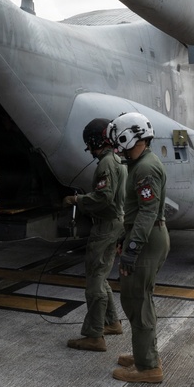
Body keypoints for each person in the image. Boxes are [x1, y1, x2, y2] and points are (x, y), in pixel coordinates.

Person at [107, 111, 169, 383]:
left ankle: (147, 367)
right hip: (143, 235)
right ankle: (145, 353)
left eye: (119, 141)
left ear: (130, 137)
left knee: (137, 300)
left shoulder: (144, 168)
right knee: (139, 299)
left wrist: (132, 248)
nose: (117, 148)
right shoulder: (140, 164)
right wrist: (125, 238)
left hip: (146, 238)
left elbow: (147, 212)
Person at [63, 117, 126, 352]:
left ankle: (94, 335)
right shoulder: (117, 161)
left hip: (105, 226)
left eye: (89, 145)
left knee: (94, 282)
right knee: (102, 276)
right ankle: (112, 322)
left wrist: (77, 200)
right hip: (114, 224)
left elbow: (103, 197)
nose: (88, 150)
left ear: (94, 141)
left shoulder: (106, 164)